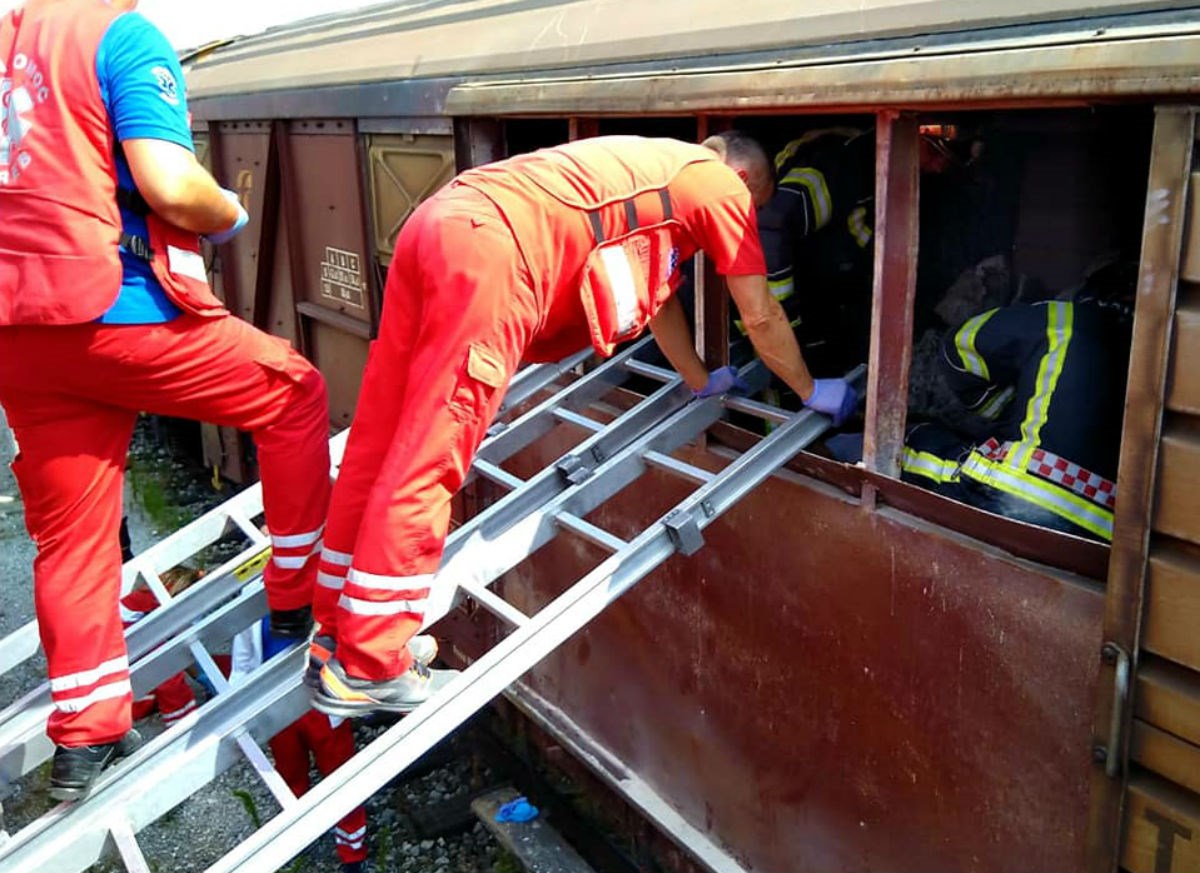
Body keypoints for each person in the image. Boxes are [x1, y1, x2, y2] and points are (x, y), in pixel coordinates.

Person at [309, 132, 859, 718]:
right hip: (495, 252)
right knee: (432, 455)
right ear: (746, 183)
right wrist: (808, 388)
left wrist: (698, 378)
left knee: (381, 440)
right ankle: (371, 665)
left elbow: (661, 303)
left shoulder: (656, 174)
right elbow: (762, 311)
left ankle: (337, 631)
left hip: (439, 223)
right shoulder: (720, 184)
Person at [0, 0, 331, 800]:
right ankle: (295, 601)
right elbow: (171, 186)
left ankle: (85, 738)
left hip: (17, 331)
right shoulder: (120, 36)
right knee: (294, 394)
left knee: (73, 537)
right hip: (118, 311)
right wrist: (226, 211)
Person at [897, 264, 1134, 542]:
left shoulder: (1067, 318)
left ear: (1089, 292)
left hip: (1018, 497)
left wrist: (1000, 409)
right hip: (1103, 529)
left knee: (913, 444)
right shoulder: (1157, 359)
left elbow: (959, 346)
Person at [750, 127, 877, 376]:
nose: (940, 166)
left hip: (825, 302)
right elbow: (774, 221)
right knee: (781, 379)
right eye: (936, 152)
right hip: (784, 299)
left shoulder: (872, 174)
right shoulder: (839, 165)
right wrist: (782, 310)